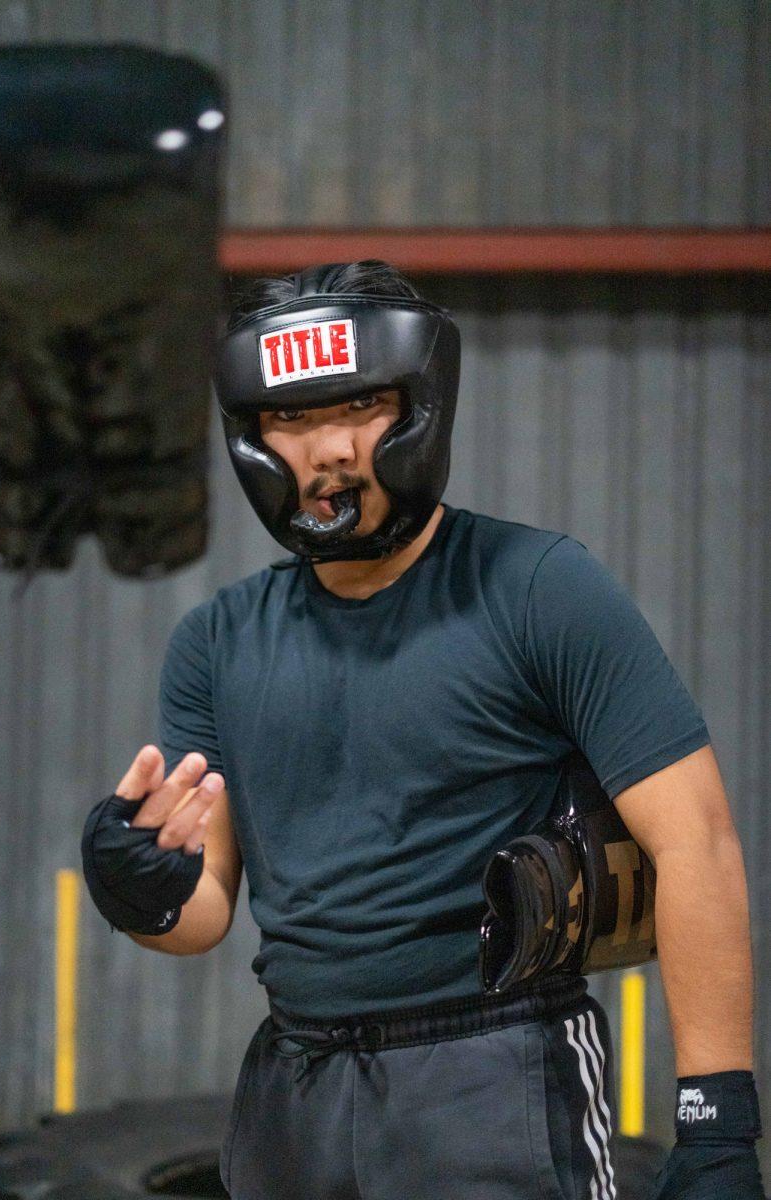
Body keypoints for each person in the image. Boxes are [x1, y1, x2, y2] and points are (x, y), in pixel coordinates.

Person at [81, 261, 764, 1199]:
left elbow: (698, 842)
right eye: (289, 419)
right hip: (295, 1084)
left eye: (356, 405)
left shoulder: (539, 589)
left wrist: (717, 1124)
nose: (322, 451)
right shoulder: (217, 642)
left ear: (420, 406)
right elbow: (205, 912)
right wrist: (138, 891)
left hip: (495, 1073)